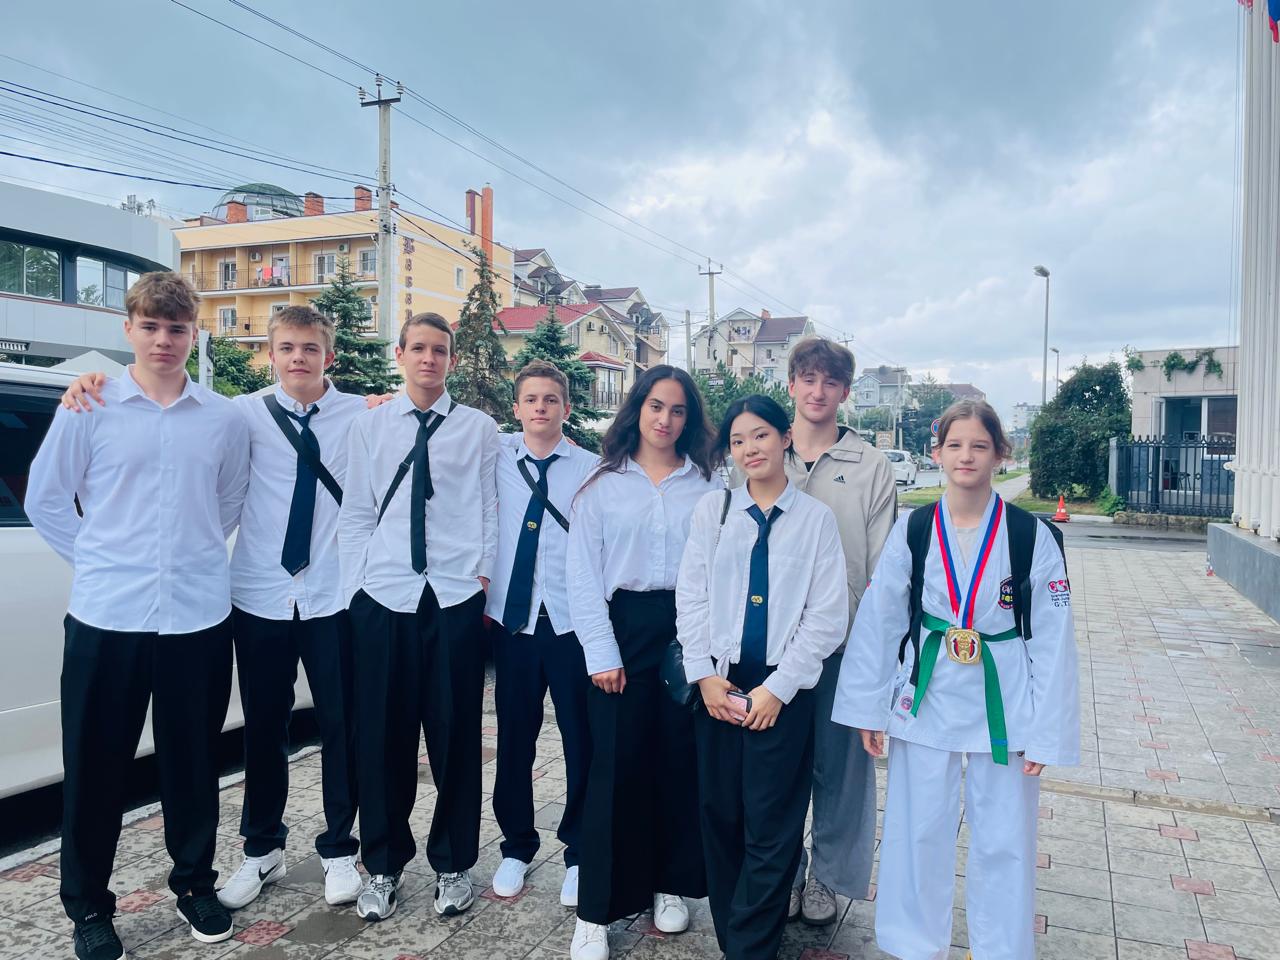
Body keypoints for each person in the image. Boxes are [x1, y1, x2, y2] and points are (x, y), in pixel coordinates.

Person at [55, 306, 371, 912]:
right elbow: (223, 499)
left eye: (310, 347)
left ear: (328, 355)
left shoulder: (362, 415)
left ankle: (338, 849)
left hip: (333, 595)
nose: (298, 357)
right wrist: (90, 382)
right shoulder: (238, 414)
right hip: (256, 595)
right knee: (263, 730)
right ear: (271, 355)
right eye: (287, 347)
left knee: (342, 727)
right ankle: (262, 849)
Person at [25, 272, 250, 959]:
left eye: (176, 328)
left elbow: (229, 502)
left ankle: (195, 885)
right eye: (150, 326)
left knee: (193, 766)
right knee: (95, 770)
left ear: (193, 334)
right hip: (107, 618)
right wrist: (100, 561)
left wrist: (186, 559)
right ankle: (90, 907)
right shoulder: (89, 407)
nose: (163, 340)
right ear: (129, 330)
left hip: (196, 619)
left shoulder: (222, 418)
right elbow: (45, 499)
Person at [833, 400, 1079, 960]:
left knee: (1005, 838)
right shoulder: (915, 529)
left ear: (1000, 454)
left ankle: (1002, 950)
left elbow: (1053, 637)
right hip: (928, 693)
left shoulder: (1030, 534)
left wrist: (1048, 732)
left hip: (1004, 698)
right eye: (955, 445)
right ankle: (913, 947)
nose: (966, 456)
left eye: (979, 446)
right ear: (937, 452)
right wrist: (869, 707)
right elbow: (881, 619)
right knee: (917, 830)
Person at [338, 312, 498, 922]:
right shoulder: (369, 426)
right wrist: (357, 589)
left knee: (456, 737)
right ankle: (381, 865)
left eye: (440, 350)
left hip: (454, 597)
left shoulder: (478, 428)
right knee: (382, 738)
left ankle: (453, 862)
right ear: (400, 354)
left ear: (452, 359)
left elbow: (489, 508)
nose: (429, 359)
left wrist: (482, 576)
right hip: (384, 596)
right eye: (419, 348)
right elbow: (356, 510)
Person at [676, 395, 848, 960]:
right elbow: (691, 597)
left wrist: (779, 688)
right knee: (721, 817)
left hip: (783, 690)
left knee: (772, 828)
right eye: (738, 440)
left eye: (761, 435)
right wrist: (703, 678)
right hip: (719, 685)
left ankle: (752, 948)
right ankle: (735, 939)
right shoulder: (714, 511)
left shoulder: (815, 520)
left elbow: (827, 616)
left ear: (785, 438)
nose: (750, 448)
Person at [565, 365, 720, 960]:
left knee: (678, 763)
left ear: (689, 419)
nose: (666, 419)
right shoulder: (602, 485)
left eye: (678, 410)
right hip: (623, 630)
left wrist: (709, 653)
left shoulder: (708, 485)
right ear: (637, 409)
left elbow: (720, 570)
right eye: (657, 406)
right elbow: (582, 576)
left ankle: (668, 884)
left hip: (687, 630)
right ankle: (595, 913)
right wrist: (601, 652)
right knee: (614, 769)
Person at [782, 338, 896, 923]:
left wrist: (877, 656)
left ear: (845, 392)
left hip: (844, 644)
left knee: (842, 772)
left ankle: (826, 879)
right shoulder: (765, 450)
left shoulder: (871, 466)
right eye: (808, 378)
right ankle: (783, 871)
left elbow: (882, 570)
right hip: (773, 645)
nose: (817, 391)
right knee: (778, 769)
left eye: (830, 381)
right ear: (791, 385)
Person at [486, 360, 598, 906]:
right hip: (516, 625)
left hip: (571, 624)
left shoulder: (592, 468)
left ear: (566, 408)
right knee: (514, 740)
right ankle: (516, 845)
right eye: (531, 399)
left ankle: (579, 851)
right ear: (516, 408)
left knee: (581, 741)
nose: (540, 408)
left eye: (551, 399)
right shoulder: (495, 455)